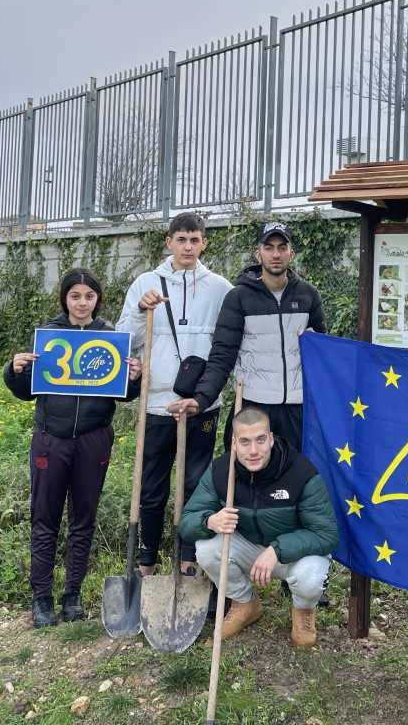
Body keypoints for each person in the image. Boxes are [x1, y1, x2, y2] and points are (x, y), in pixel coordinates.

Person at [3, 267, 141, 628]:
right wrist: (15, 370)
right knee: (44, 518)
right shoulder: (49, 337)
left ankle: (73, 595)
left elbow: (123, 395)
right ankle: (42, 598)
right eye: (75, 296)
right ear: (65, 299)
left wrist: (134, 379)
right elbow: (26, 390)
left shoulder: (111, 338)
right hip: (51, 438)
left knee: (84, 517)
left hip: (94, 440)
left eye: (89, 296)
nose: (82, 303)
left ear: (98, 299)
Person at [116, 212, 232, 577]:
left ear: (204, 243)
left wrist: (208, 393)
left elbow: (225, 345)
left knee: (196, 485)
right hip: (155, 402)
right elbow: (125, 339)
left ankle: (188, 559)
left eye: (195, 240)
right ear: (168, 242)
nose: (188, 246)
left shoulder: (220, 288)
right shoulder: (146, 283)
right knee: (151, 488)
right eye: (181, 239)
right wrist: (140, 310)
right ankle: (146, 562)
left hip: (201, 405)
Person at [179, 406, 338, 649]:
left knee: (311, 574)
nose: (253, 451)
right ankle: (244, 604)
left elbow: (326, 535)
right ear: (234, 443)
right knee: (206, 550)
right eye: (245, 442)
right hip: (248, 547)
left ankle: (304, 612)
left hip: (290, 554)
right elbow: (187, 522)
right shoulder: (221, 471)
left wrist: (277, 549)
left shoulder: (300, 472)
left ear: (271, 439)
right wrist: (209, 521)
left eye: (260, 440)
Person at [173, 221, 326, 452]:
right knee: (247, 477)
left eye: (282, 247)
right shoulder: (238, 297)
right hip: (254, 404)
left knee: (296, 478)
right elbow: (222, 354)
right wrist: (202, 398)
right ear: (258, 253)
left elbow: (322, 351)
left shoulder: (308, 295)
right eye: (269, 247)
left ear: (291, 253)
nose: (276, 254)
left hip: (297, 407)